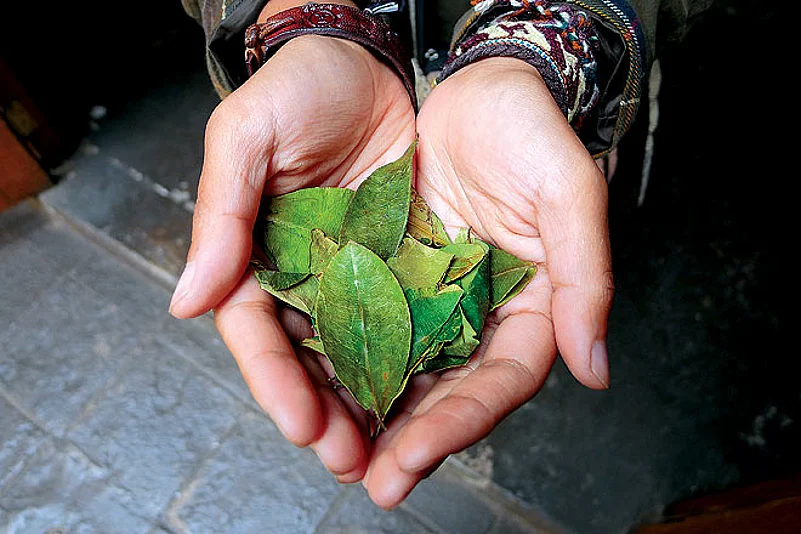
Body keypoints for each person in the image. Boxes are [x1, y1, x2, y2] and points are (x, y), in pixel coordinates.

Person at [170, 0, 709, 509]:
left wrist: (554, 40)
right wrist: (298, 16)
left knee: (583, 229)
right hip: (382, 108)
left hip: (566, 110)